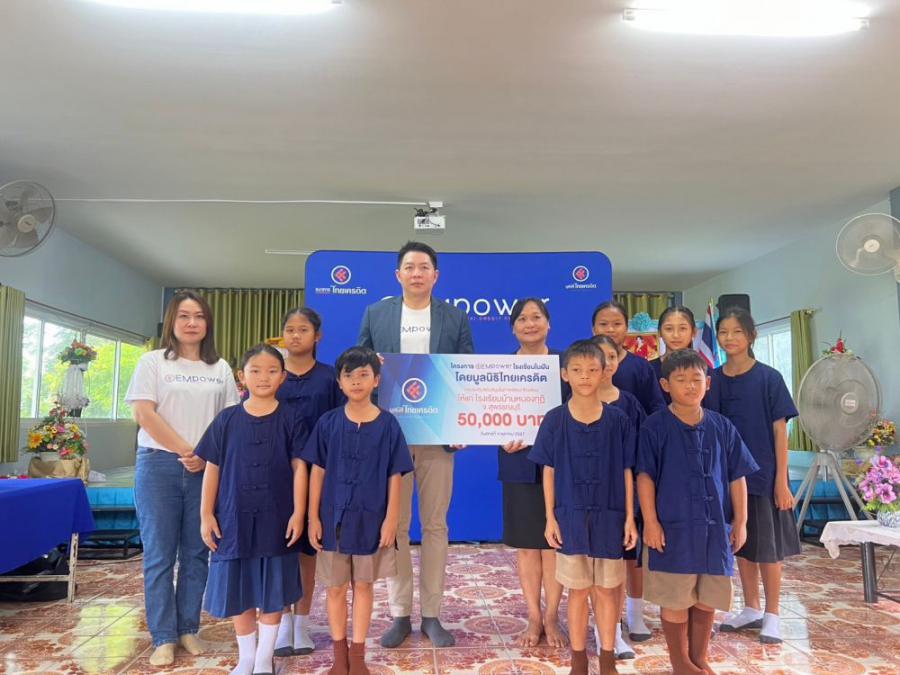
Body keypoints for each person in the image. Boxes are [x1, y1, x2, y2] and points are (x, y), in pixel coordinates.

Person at [357, 240, 474, 648]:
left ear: (435, 275)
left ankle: (433, 615)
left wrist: (461, 424)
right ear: (398, 274)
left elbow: (465, 372)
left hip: (438, 435)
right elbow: (358, 366)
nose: (417, 273)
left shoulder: (454, 317)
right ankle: (400, 614)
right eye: (410, 267)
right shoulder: (376, 314)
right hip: (391, 436)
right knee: (398, 526)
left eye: (424, 267)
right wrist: (371, 364)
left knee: (436, 525)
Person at [126, 290, 240, 666]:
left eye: (199, 316)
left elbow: (229, 421)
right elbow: (145, 414)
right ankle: (163, 636)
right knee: (159, 555)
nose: (192, 323)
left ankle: (188, 628)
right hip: (159, 466)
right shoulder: (153, 362)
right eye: (184, 316)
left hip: (205, 471)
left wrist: (204, 457)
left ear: (208, 323)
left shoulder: (220, 368)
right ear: (172, 322)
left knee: (196, 553)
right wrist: (186, 450)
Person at [637, 349, 759, 675]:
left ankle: (698, 658)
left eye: (696, 379)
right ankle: (680, 663)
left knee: (708, 597)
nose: (690, 386)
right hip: (672, 530)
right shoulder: (654, 426)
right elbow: (645, 477)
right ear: (665, 385)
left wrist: (741, 522)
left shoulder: (722, 426)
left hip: (715, 529)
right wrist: (650, 522)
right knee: (675, 597)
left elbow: (737, 476)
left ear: (708, 383)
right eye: (681, 380)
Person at [196, 344, 308, 675]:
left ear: (283, 377)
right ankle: (246, 658)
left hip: (278, 516)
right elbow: (212, 468)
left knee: (274, 588)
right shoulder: (227, 419)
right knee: (238, 587)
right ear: (241, 376)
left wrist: (298, 513)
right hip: (233, 517)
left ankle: (263, 659)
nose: (263, 377)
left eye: (272, 370)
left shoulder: (292, 418)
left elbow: (300, 468)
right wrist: (206, 514)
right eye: (255, 370)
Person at [302, 347, 414, 675]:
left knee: (364, 586)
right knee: (335, 588)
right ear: (339, 382)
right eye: (348, 375)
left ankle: (358, 655)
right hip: (332, 520)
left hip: (372, 521)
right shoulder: (328, 423)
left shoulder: (388, 424)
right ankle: (339, 656)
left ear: (376, 380)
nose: (356, 381)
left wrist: (391, 519)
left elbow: (395, 475)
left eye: (363, 374)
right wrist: (313, 517)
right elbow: (317, 471)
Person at [529, 340, 638, 675]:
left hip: (610, 518)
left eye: (593, 369)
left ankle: (607, 658)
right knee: (577, 592)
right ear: (565, 375)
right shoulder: (554, 420)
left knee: (606, 591)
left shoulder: (619, 420)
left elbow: (628, 470)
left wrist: (630, 517)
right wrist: (550, 517)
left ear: (605, 371)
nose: (585, 376)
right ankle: (578, 661)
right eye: (577, 370)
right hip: (571, 518)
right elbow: (548, 471)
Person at [706, 308, 802, 644]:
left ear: (751, 336)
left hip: (763, 476)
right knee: (741, 544)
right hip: (725, 478)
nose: (729, 338)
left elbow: (780, 433)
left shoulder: (769, 378)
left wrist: (782, 482)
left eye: (736, 331)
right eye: (723, 332)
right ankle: (751, 607)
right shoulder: (712, 380)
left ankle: (772, 614)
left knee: (768, 549)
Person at [273, 307, 346, 658]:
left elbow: (341, 424)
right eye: (290, 329)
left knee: (307, 549)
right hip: (275, 475)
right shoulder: (272, 374)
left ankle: (301, 623)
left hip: (320, 474)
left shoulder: (331, 378)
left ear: (317, 336)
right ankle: (280, 623)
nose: (295, 335)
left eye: (303, 329)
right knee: (277, 549)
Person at [498, 298, 569, 648]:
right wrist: (500, 436)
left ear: (548, 323)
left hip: (561, 465)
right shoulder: (499, 370)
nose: (530, 324)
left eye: (536, 317)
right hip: (518, 463)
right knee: (527, 547)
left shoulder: (565, 366)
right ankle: (533, 617)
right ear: (513, 328)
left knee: (553, 545)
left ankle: (552, 616)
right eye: (522, 319)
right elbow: (487, 413)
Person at [593, 335, 647, 655]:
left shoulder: (630, 404)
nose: (606, 363)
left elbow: (638, 454)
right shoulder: (576, 403)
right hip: (591, 498)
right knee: (601, 566)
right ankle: (606, 630)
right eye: (599, 357)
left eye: (612, 356)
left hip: (626, 496)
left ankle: (631, 618)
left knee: (626, 560)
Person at [591, 301, 666, 416]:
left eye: (617, 324)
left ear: (626, 328)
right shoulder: (582, 366)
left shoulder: (641, 367)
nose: (610, 329)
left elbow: (657, 408)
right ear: (593, 329)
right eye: (603, 324)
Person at [649, 306, 699, 405]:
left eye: (682, 328)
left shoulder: (702, 369)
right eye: (669, 329)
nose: (676, 335)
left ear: (693, 332)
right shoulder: (648, 370)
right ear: (659, 333)